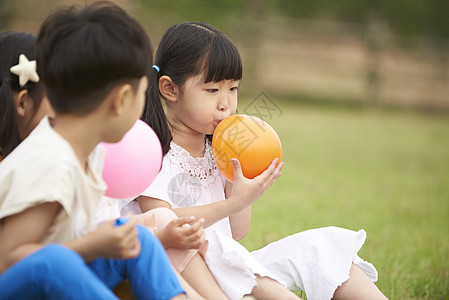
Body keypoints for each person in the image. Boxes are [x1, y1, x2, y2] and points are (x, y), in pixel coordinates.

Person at [124, 22, 388, 300]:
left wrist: (242, 190)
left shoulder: (220, 149)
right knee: (206, 243)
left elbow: (236, 234)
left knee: (321, 248)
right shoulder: (151, 150)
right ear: (170, 89)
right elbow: (161, 224)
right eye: (212, 90)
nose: (226, 103)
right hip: (185, 276)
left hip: (231, 264)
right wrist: (232, 203)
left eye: (233, 89)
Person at [0, 29, 227, 300]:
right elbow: (18, 261)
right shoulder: (46, 160)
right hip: (25, 279)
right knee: (55, 263)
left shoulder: (80, 156)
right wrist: (91, 245)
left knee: (138, 240)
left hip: (57, 269)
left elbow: (73, 238)